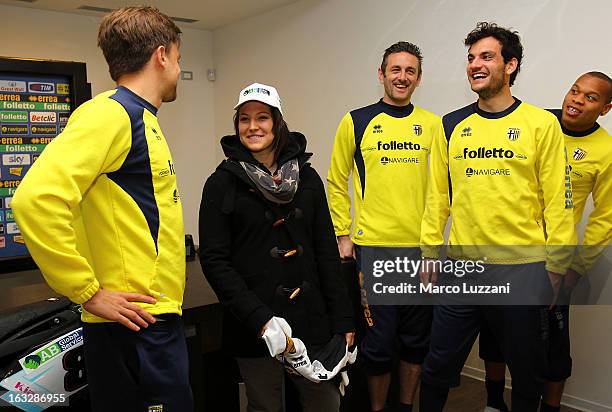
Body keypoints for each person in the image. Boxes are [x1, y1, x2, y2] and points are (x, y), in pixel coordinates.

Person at [11, 6, 192, 412]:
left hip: (151, 320)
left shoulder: (141, 118)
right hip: (133, 325)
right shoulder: (112, 114)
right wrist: (88, 291)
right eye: (179, 59)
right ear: (161, 55)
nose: (179, 69)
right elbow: (35, 200)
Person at [418, 22, 575, 412]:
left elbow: (558, 200)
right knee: (437, 367)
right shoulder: (450, 126)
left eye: (486, 56)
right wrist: (429, 251)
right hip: (461, 269)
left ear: (510, 65)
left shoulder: (542, 124)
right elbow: (437, 196)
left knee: (527, 373)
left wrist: (556, 265)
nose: (475, 64)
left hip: (523, 271)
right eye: (471, 58)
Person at [198, 82, 355, 412]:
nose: (253, 126)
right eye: (244, 119)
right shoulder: (220, 183)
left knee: (325, 403)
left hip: (312, 322)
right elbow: (215, 261)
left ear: (278, 122)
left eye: (262, 117)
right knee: (265, 405)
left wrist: (343, 321)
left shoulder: (307, 179)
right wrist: (261, 320)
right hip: (253, 326)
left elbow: (327, 252)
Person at [480, 71, 612, 412]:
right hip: (507, 254)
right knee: (494, 334)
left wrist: (577, 268)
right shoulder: (537, 123)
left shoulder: (606, 151)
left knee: (553, 344)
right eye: (574, 90)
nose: (577, 100)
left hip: (554, 263)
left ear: (605, 109)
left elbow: (604, 218)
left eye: (590, 97)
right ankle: (495, 403)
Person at [327, 42, 440, 412]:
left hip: (421, 252)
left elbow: (442, 189)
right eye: (395, 69)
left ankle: (404, 407)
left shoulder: (433, 125)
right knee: (378, 343)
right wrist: (342, 233)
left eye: (410, 71)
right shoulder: (356, 121)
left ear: (418, 78)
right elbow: (336, 178)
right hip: (374, 251)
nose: (402, 77)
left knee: (415, 341)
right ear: (381, 74)